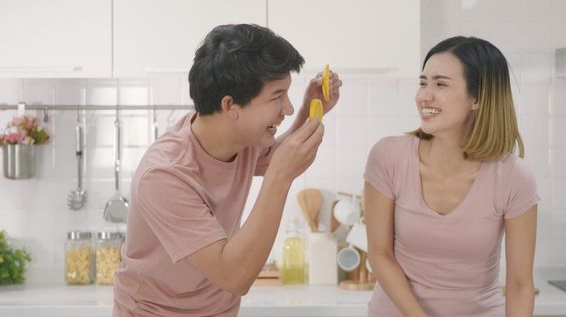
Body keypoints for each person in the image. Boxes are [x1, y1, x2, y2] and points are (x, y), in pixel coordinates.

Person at [113, 24, 342, 316]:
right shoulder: (164, 175)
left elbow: (275, 157)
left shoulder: (236, 136)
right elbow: (234, 277)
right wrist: (280, 177)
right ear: (230, 105)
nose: (286, 107)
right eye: (277, 96)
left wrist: (310, 110)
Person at [364, 36, 538, 317]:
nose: (424, 95)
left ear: (477, 98)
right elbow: (380, 255)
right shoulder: (389, 157)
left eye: (440, 84)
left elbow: (520, 285)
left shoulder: (514, 177)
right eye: (423, 82)